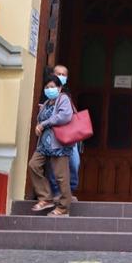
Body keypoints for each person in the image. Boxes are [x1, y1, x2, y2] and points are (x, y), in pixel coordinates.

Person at [28, 75, 74, 217]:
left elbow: (65, 116)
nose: (49, 89)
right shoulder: (47, 102)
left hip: (58, 144)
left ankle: (63, 207)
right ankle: (46, 197)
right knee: (33, 165)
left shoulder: (63, 99)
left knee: (61, 176)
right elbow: (42, 119)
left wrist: (44, 124)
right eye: (47, 87)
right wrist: (39, 125)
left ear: (59, 88)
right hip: (44, 145)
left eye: (52, 86)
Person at [46, 64, 81, 201]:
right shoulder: (47, 91)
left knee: (74, 162)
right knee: (53, 163)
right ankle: (56, 192)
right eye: (58, 73)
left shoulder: (66, 93)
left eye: (63, 74)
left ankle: (69, 192)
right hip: (53, 134)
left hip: (70, 135)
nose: (61, 76)